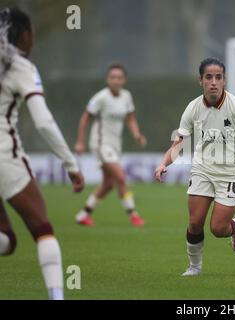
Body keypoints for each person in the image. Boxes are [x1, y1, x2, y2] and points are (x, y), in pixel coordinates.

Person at [154, 57, 235, 276]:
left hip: (232, 173)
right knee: (195, 222)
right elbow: (178, 144)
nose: (213, 82)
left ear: (224, 80)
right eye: (209, 77)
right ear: (200, 80)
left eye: (218, 77)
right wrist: (162, 163)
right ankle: (194, 267)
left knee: (217, 229)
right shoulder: (193, 108)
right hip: (202, 169)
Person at [0, 8, 84, 300]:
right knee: (42, 229)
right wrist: (71, 164)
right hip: (3, 157)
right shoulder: (19, 66)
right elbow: (44, 121)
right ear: (24, 35)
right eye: (31, 33)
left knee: (7, 241)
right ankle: (57, 296)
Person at [74, 63, 147, 227]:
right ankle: (133, 215)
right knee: (120, 177)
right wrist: (80, 141)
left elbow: (130, 117)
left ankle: (83, 214)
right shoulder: (100, 98)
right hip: (101, 144)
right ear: (107, 79)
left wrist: (136, 134)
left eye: (119, 77)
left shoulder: (126, 96)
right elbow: (85, 118)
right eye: (112, 77)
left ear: (124, 80)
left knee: (108, 184)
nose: (116, 80)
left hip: (115, 145)